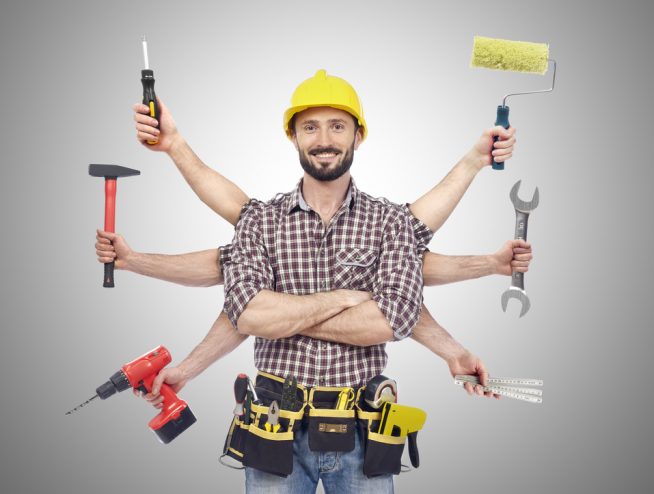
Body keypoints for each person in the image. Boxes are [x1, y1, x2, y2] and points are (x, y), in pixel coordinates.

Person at [96, 69, 530, 492]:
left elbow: (393, 318)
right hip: (272, 428)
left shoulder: (391, 223)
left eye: (338, 126)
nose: (324, 140)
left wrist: (280, 311)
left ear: (358, 135)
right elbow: (244, 312)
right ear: (294, 137)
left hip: (363, 430)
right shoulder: (260, 222)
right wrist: (347, 297)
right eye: (310, 127)